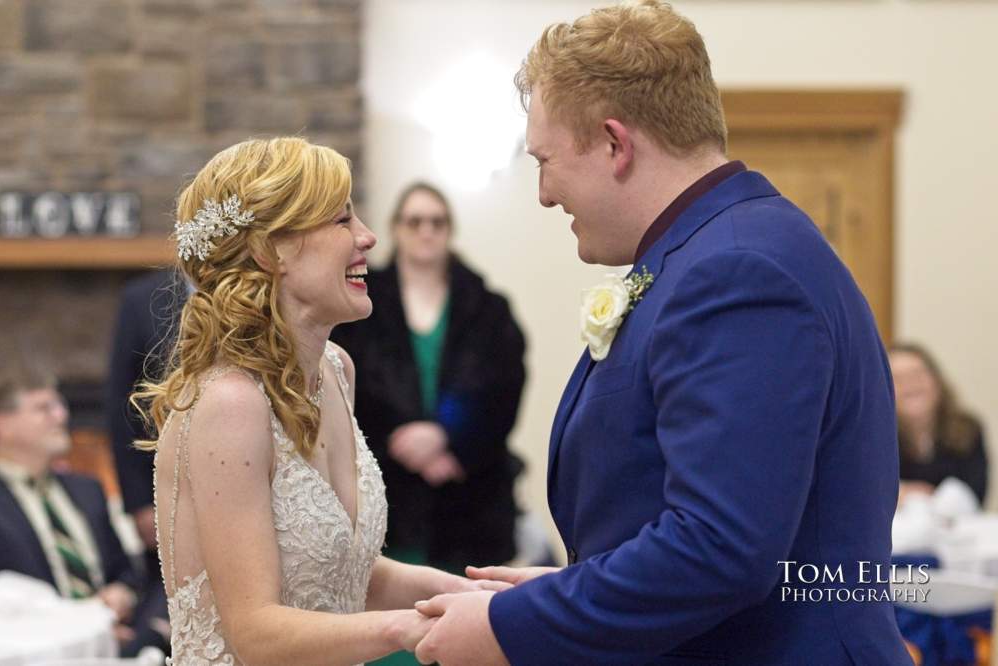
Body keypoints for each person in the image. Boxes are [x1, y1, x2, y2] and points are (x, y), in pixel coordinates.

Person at [412, 2, 912, 664]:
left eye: (545, 160)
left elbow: (721, 548)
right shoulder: (713, 249)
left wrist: (514, 625)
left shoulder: (737, 271)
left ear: (616, 144)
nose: (543, 192)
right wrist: (571, 592)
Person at [131, 137, 506, 665]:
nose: (368, 238)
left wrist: (480, 599)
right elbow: (256, 635)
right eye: (341, 221)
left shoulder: (335, 370)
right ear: (270, 250)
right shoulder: (229, 403)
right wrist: (411, 629)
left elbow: (349, 575)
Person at [331, 182, 526, 574]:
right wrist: (398, 441)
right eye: (415, 221)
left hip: (468, 495)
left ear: (449, 230)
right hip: (387, 491)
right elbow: (346, 386)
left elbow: (503, 389)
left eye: (437, 222)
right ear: (396, 228)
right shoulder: (358, 304)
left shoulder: (488, 307)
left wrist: (447, 438)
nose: (426, 231)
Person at [0, 358, 159, 655]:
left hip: (121, 642)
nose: (61, 416)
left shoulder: (88, 490)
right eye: (43, 408)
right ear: (2, 424)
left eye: (60, 405)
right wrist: (83, 628)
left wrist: (123, 594)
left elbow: (126, 571)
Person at [106, 267, 186, 654]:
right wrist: (139, 502)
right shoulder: (142, 299)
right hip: (163, 483)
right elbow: (122, 403)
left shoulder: (252, 286)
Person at [889, 342, 989, 505]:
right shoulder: (874, 438)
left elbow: (976, 494)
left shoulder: (968, 430)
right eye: (898, 378)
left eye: (917, 374)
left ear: (936, 380)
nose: (910, 384)